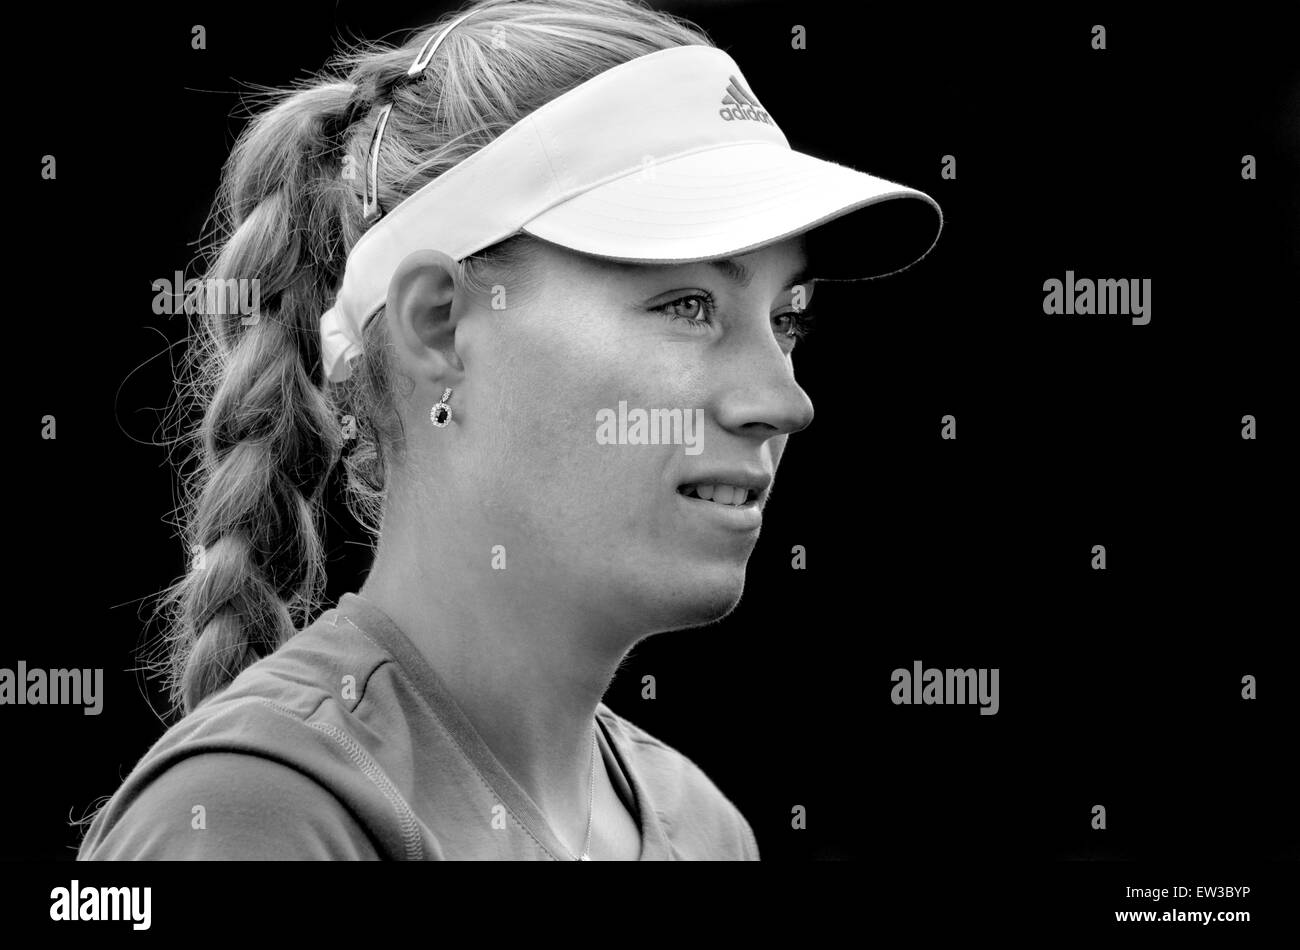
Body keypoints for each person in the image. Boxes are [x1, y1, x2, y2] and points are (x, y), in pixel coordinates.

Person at [76, 0, 942, 860]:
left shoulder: (708, 829)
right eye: (688, 305)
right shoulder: (252, 814)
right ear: (439, 325)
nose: (785, 402)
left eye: (787, 321)